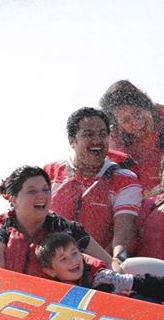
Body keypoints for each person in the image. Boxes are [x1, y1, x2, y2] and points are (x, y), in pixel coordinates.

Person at [44, 107, 144, 266]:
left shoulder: (125, 179)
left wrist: (118, 260)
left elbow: (123, 234)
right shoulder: (49, 174)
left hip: (96, 267)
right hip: (49, 265)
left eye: (103, 134)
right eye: (88, 135)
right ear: (71, 141)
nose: (97, 141)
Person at [0, 165, 112, 277]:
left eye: (45, 189)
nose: (42, 195)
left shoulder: (66, 228)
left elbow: (111, 265)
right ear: (13, 199)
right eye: (32, 191)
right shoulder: (1, 233)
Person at [99, 80, 164, 193]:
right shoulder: (116, 142)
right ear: (119, 127)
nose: (136, 122)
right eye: (126, 120)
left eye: (137, 112)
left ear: (147, 106)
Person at [36, 232, 137, 294]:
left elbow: (139, 282)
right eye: (63, 259)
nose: (73, 260)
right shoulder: (54, 293)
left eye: (75, 253)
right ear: (50, 271)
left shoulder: (103, 278)